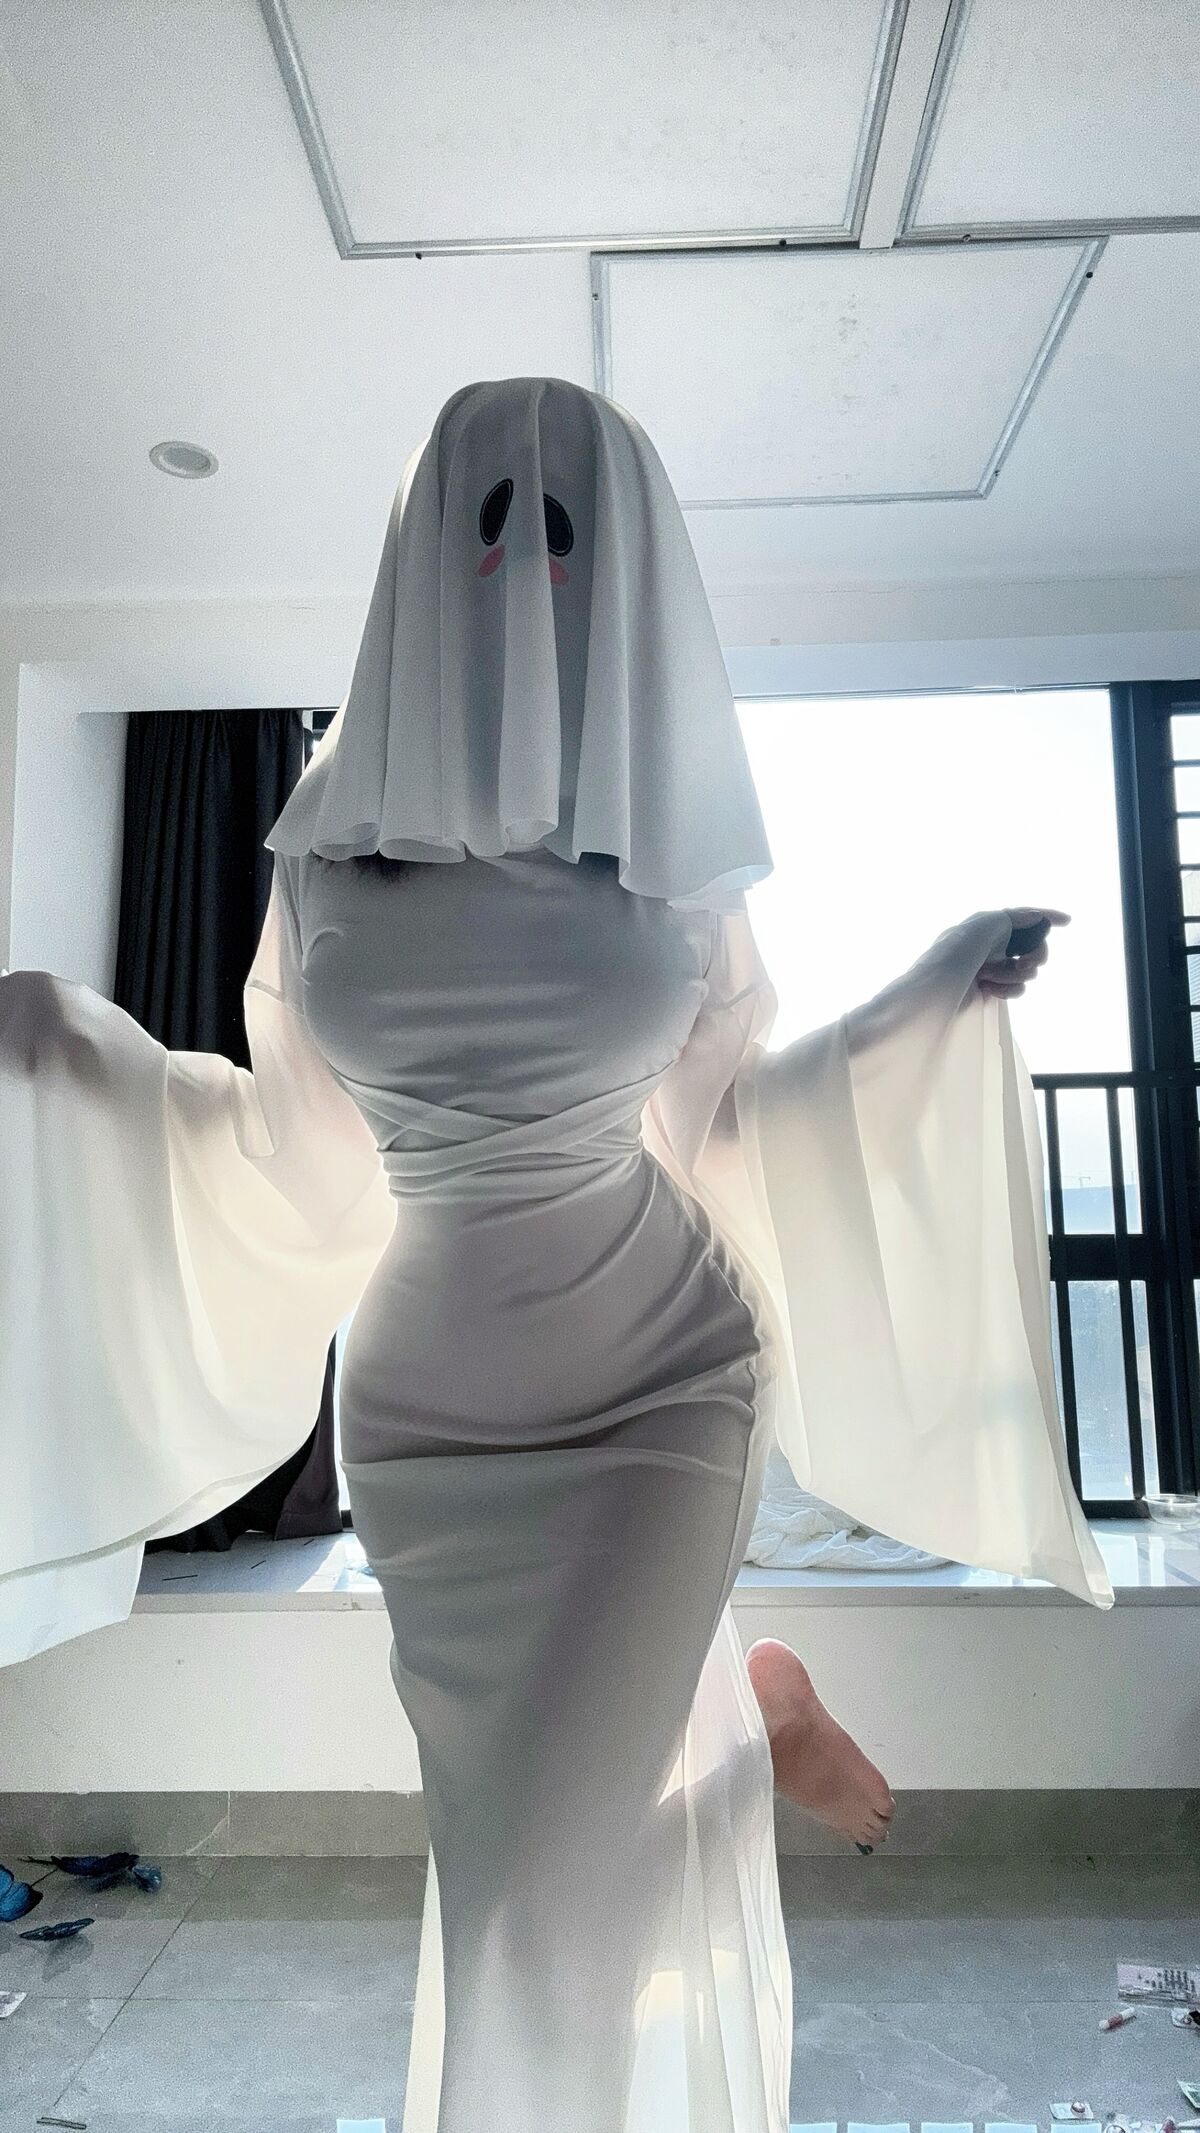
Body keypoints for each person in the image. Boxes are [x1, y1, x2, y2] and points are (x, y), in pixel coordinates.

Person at [0, 376, 1112, 2133]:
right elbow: (286, 1141)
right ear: (419, 555)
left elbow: (731, 1117)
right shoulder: (326, 840)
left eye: (573, 529)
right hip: (429, 1412)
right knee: (505, 1872)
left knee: (542, 1909)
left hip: (657, 1379)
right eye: (490, 521)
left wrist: (923, 992)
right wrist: (72, 1045)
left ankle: (750, 1747)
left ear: (633, 566)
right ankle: (757, 1733)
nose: (526, 566)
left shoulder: (667, 836)